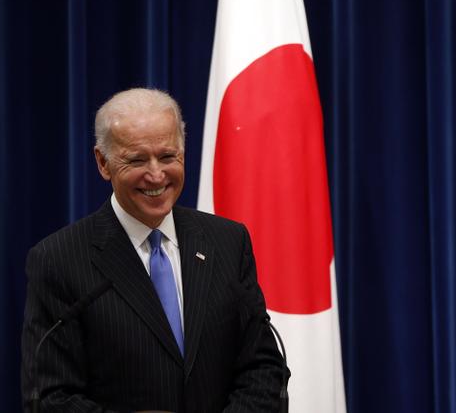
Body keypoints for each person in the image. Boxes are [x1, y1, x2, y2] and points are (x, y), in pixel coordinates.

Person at [20, 88, 288, 412]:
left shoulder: (228, 242)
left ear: (183, 153)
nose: (156, 174)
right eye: (137, 159)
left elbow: (263, 368)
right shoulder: (59, 259)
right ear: (103, 163)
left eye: (167, 156)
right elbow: (51, 397)